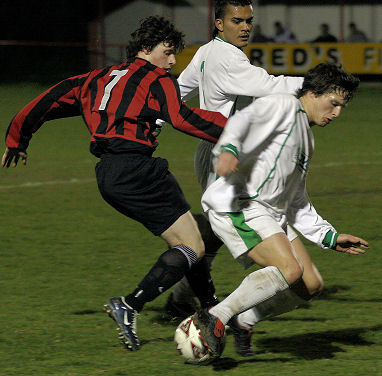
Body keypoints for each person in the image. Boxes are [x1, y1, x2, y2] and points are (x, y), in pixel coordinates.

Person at [2, 16, 228, 351]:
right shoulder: (155, 78)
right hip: (137, 168)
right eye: (167, 52)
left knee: (188, 240)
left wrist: (18, 138)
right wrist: (236, 128)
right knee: (192, 246)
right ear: (145, 49)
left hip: (109, 173)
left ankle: (210, 309)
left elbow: (47, 100)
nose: (171, 61)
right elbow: (181, 117)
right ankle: (130, 305)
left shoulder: (94, 77)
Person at [191, 62, 368, 360]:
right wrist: (230, 151)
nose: (336, 113)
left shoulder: (305, 138)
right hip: (239, 204)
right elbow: (242, 121)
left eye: (341, 107)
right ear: (313, 92)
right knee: (289, 269)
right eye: (333, 103)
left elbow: (296, 199)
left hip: (271, 211)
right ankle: (215, 316)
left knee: (310, 285)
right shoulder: (284, 105)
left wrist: (329, 236)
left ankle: (243, 320)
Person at [164, 0, 304, 356]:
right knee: (262, 249)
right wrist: (318, 86)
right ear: (219, 23)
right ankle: (221, 313)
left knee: (214, 227)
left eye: (249, 21)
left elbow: (180, 90)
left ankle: (181, 294)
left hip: (212, 153)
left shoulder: (207, 52)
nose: (245, 27)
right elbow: (270, 85)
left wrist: (153, 121)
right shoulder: (229, 58)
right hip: (224, 158)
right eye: (236, 21)